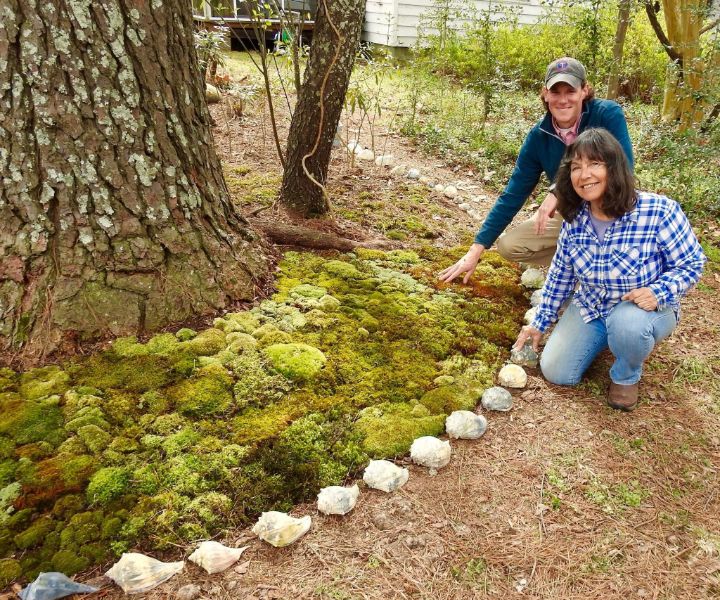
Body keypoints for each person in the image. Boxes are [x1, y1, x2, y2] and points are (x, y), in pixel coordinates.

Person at [513, 128, 706, 411]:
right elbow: (561, 275)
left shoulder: (658, 211)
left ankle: (626, 373)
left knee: (628, 326)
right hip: (593, 306)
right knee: (557, 372)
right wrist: (540, 322)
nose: (584, 174)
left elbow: (692, 263)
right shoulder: (575, 219)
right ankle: (608, 338)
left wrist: (657, 291)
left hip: (644, 309)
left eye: (594, 164)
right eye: (576, 167)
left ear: (613, 167)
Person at [439, 57, 633, 283]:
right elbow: (513, 194)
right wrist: (475, 250)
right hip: (573, 214)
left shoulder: (606, 115)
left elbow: (624, 168)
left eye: (570, 91)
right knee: (509, 246)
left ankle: (602, 263)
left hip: (613, 208)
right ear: (545, 94)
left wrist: (557, 192)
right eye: (555, 92)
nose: (563, 100)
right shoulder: (538, 137)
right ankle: (576, 264)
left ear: (584, 91)